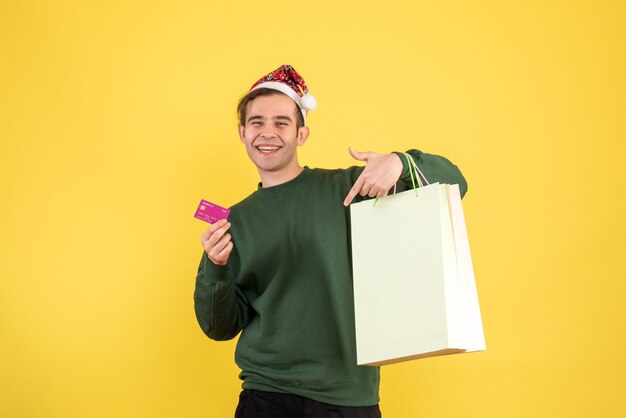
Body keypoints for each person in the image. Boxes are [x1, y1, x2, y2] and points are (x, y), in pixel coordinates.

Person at [194, 64, 468, 418]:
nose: (268, 133)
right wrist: (216, 269)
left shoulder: (349, 188)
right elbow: (219, 327)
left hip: (350, 399)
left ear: (302, 134)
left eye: (282, 122)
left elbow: (456, 182)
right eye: (257, 122)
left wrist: (400, 163)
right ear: (242, 132)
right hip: (266, 396)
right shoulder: (234, 222)